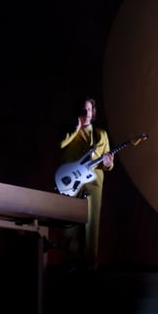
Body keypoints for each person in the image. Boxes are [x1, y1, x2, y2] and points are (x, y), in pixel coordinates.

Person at [60, 97, 113, 270]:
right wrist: (75, 130)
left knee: (92, 225)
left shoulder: (101, 134)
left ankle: (91, 264)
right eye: (83, 110)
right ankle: (70, 262)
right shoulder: (69, 132)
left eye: (89, 110)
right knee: (70, 223)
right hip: (72, 182)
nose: (87, 113)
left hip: (94, 182)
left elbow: (108, 162)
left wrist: (108, 163)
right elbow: (60, 145)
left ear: (93, 112)